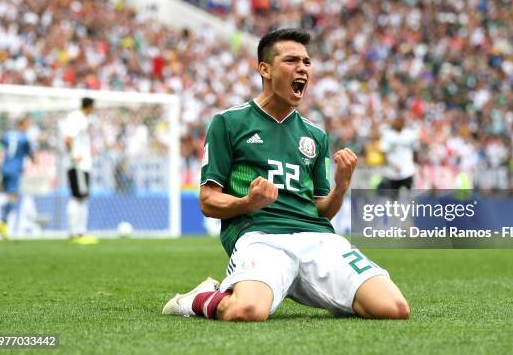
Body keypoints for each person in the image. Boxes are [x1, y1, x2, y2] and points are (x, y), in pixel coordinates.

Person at [162, 28, 410, 321]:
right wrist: (248, 203)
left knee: (394, 308)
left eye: (306, 62)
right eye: (292, 61)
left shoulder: (315, 136)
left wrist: (341, 186)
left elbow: (323, 211)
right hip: (260, 236)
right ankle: (198, 298)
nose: (302, 68)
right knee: (246, 311)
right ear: (264, 69)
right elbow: (207, 200)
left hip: (317, 239)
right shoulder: (229, 123)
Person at [64, 97, 98, 245]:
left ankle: (76, 232)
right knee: (80, 197)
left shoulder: (82, 119)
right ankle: (78, 232)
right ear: (89, 106)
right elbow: (67, 138)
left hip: (82, 164)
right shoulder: (76, 118)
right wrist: (73, 156)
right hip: (78, 164)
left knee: (79, 197)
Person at [0, 116, 35, 239]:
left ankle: (3, 224)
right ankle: (2, 219)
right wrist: (33, 160)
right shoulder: (24, 138)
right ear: (22, 124)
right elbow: (30, 154)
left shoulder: (7, 135)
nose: (29, 127)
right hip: (15, 171)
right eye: (28, 124)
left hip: (5, 169)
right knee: (13, 198)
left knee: (10, 196)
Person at [378, 115, 419, 190]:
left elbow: (415, 150)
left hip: (407, 170)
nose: (399, 124)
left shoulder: (409, 134)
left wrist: (416, 163)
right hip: (392, 172)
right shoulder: (388, 135)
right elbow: (384, 153)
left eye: (401, 122)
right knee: (393, 197)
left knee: (410, 195)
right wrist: (393, 164)